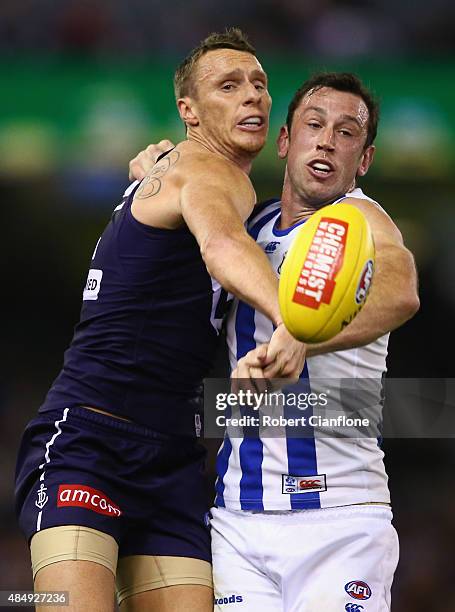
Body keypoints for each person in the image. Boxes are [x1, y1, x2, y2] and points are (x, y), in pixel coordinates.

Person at [14, 29, 306, 612]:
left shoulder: (196, 171)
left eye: (260, 84)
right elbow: (222, 244)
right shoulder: (203, 170)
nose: (252, 96)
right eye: (229, 86)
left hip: (171, 457)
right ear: (189, 112)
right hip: (89, 442)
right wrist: (291, 321)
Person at [130, 72, 419, 611]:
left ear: (365, 160)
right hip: (241, 522)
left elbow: (400, 291)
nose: (327, 140)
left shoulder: (360, 220)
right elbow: (180, 203)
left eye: (347, 132)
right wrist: (159, 171)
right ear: (285, 141)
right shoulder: (248, 226)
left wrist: (305, 339)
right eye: (314, 124)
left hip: (342, 520)